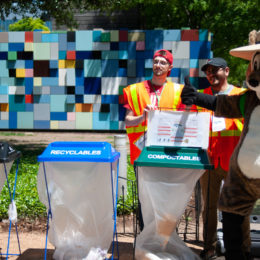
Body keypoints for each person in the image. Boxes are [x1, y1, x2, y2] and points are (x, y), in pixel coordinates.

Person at [191, 58, 250, 259]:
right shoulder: (202, 97)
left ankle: (243, 250)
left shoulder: (240, 95)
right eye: (207, 71)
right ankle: (209, 249)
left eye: (215, 70)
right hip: (209, 161)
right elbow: (193, 126)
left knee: (238, 208)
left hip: (235, 162)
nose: (211, 74)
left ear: (226, 71)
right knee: (208, 207)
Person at [123, 49, 186, 230]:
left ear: (170, 68)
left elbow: (182, 123)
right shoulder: (135, 91)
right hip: (142, 154)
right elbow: (128, 121)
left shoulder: (178, 91)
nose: (158, 65)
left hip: (167, 154)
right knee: (145, 199)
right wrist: (142, 116)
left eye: (163, 62)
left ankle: (166, 238)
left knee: (167, 198)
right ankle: (146, 238)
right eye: (156, 61)